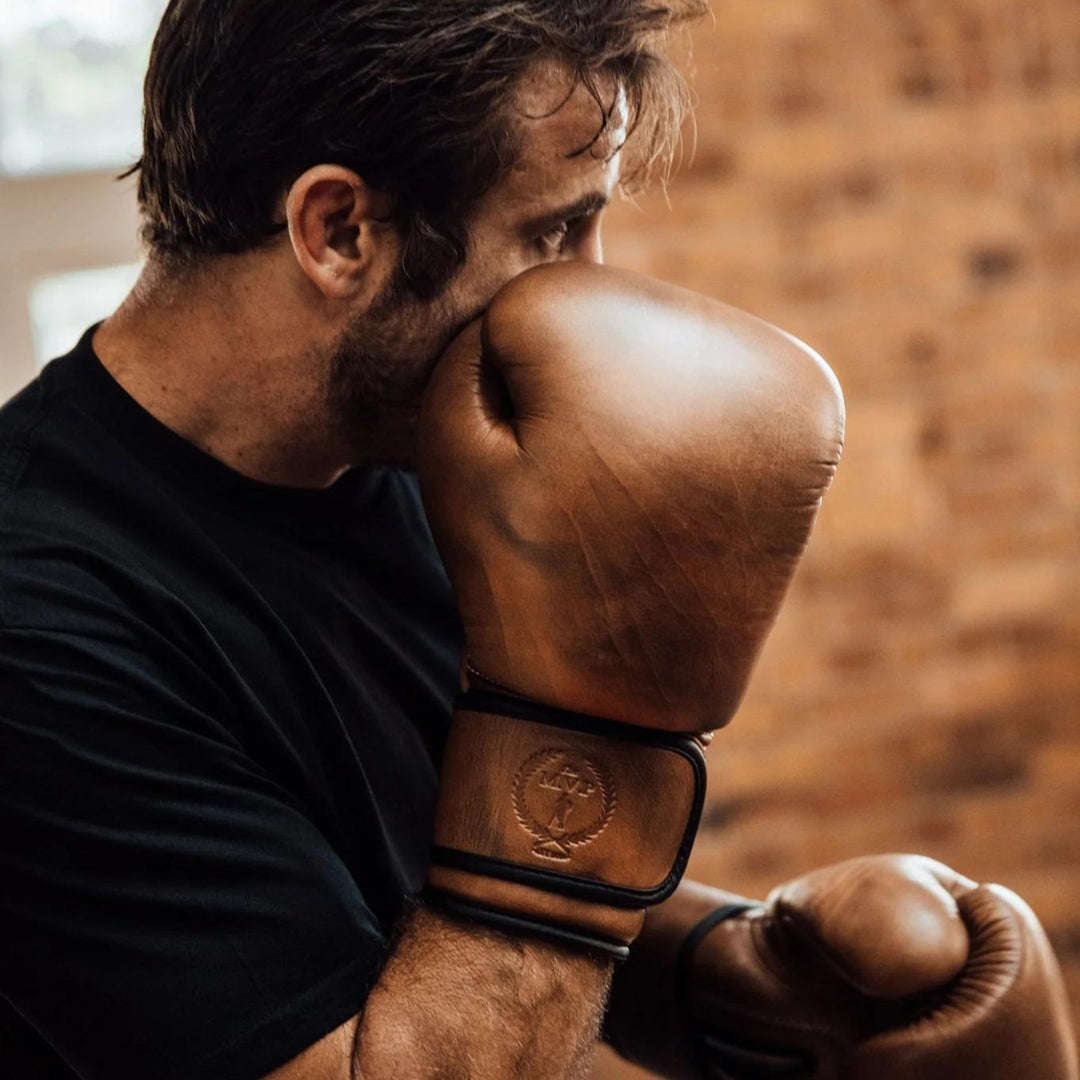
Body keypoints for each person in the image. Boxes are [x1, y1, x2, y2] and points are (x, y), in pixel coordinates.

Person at [0, 3, 708, 1078]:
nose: (591, 288)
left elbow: (458, 910)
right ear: (340, 232)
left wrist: (744, 959)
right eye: (555, 230)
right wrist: (593, 714)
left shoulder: (424, 464)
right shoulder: (38, 628)